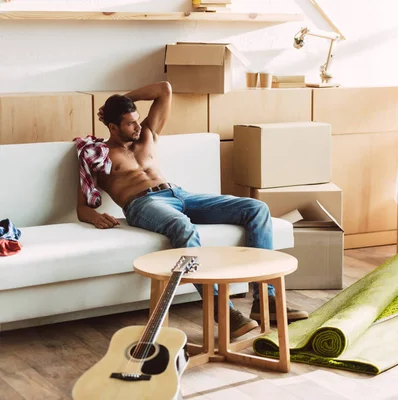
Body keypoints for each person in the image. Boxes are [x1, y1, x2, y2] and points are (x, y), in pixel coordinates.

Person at [75, 81, 308, 339]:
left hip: (180, 194)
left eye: (137, 120)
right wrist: (96, 217)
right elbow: (82, 207)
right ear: (112, 127)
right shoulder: (98, 154)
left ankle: (265, 302)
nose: (138, 126)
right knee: (182, 226)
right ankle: (223, 310)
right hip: (143, 204)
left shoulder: (148, 135)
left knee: (256, 208)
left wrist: (118, 102)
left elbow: (164, 89)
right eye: (130, 123)